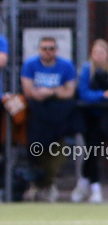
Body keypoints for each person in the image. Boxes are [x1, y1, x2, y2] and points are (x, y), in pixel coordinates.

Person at [20, 37, 78, 202]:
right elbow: (29, 91)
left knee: (57, 154)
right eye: (44, 48)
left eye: (51, 48)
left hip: (59, 116)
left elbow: (69, 92)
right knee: (36, 152)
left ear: (56, 50)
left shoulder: (65, 66)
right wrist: (56, 90)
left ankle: (48, 184)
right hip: (37, 116)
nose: (48, 51)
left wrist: (50, 92)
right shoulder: (30, 65)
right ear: (39, 50)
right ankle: (37, 185)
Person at [72, 40, 108, 203]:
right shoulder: (87, 69)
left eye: (102, 53)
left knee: (93, 150)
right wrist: (102, 95)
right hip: (89, 116)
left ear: (107, 54)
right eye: (95, 53)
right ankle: (94, 188)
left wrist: (105, 96)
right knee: (92, 150)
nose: (98, 56)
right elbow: (83, 94)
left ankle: (83, 182)